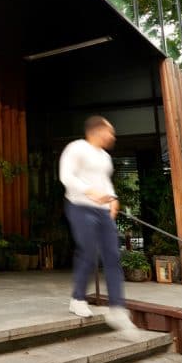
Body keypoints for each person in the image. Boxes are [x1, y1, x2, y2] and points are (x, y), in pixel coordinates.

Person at [59, 116, 139, 337]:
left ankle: (117, 308)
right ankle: (77, 299)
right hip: (79, 207)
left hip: (103, 212)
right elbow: (66, 176)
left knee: (113, 255)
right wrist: (89, 190)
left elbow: (105, 182)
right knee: (89, 251)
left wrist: (113, 199)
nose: (112, 136)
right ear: (97, 131)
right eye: (110, 132)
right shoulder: (76, 148)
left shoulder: (105, 157)